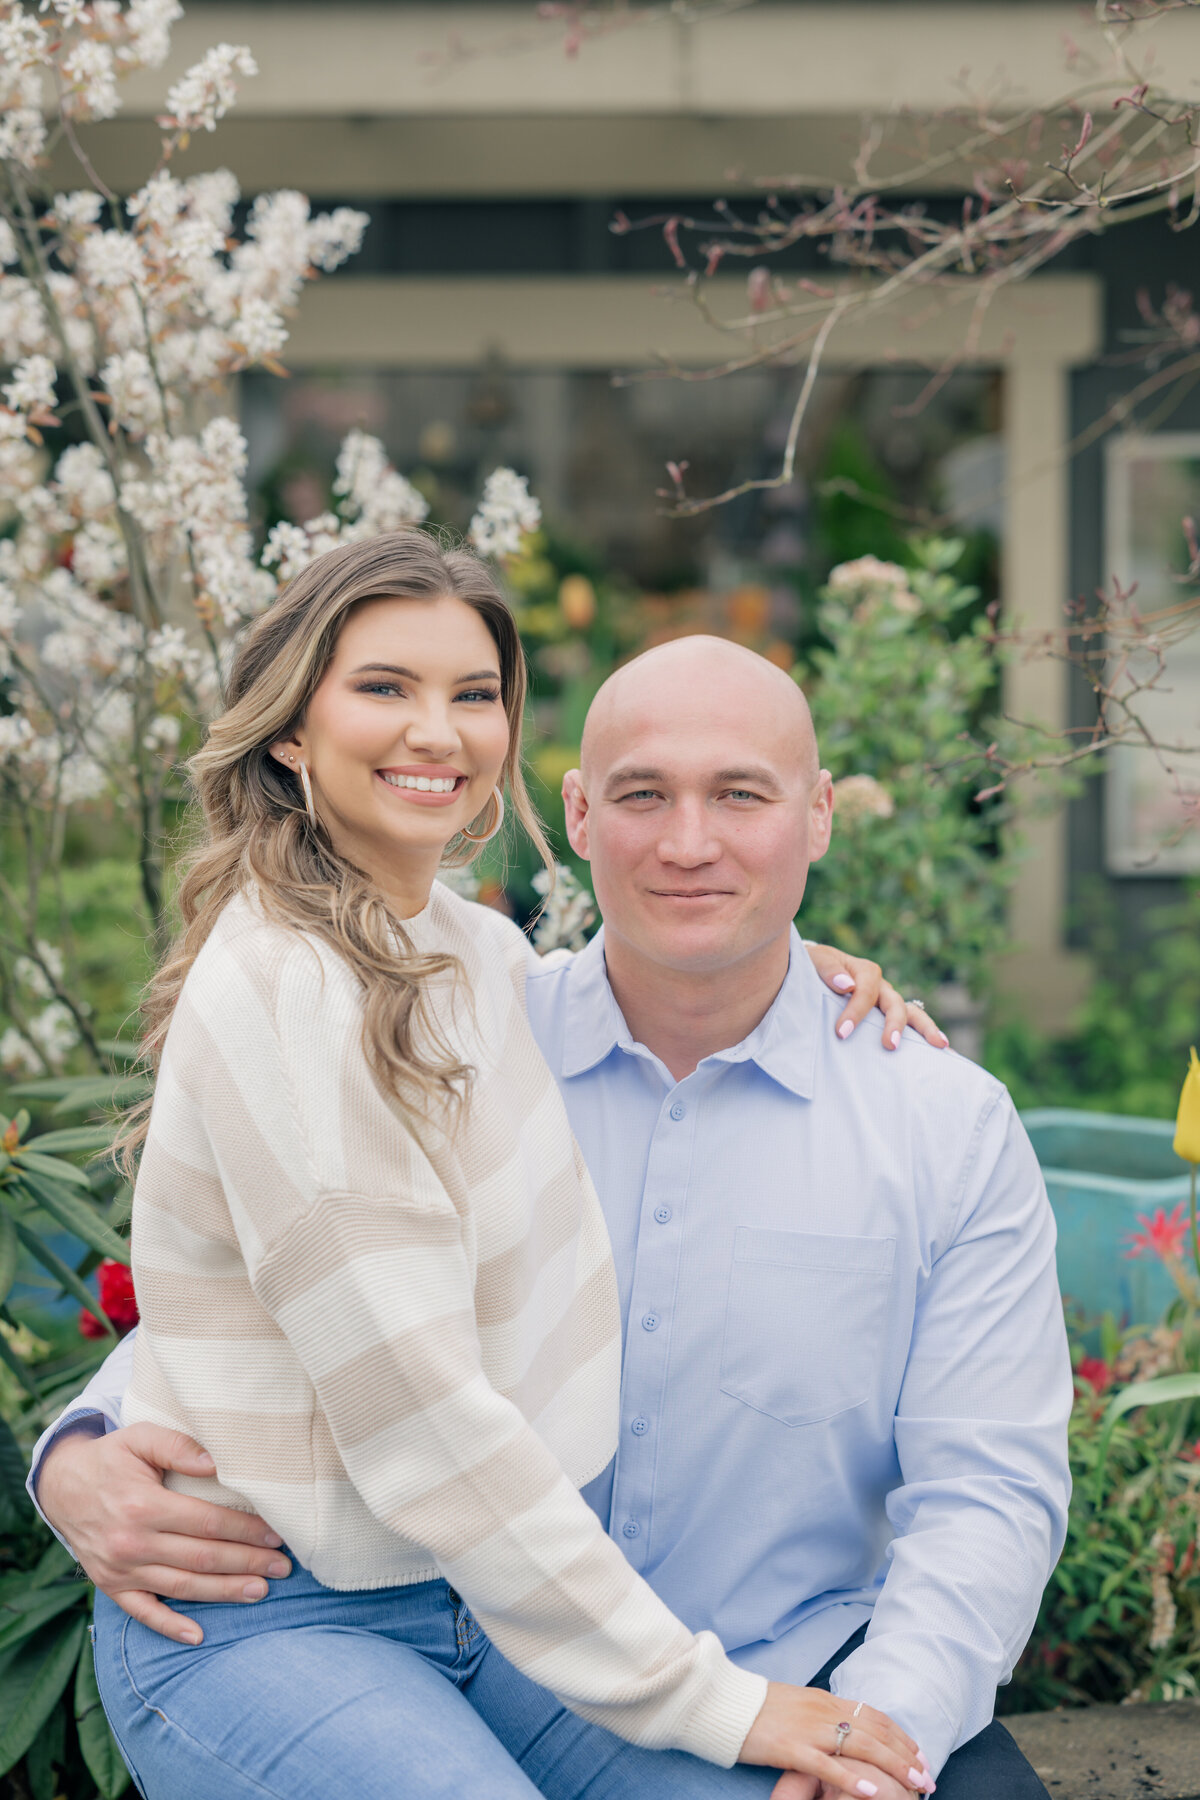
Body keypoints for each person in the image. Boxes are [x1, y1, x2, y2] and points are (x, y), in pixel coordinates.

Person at [34, 629, 1071, 1797]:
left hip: (768, 1669)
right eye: (643, 797)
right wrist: (84, 1447)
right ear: (578, 817)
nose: (691, 844)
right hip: (446, 1640)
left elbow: (989, 1493)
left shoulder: (938, 1123)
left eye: (742, 796)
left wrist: (881, 1735)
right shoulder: (461, 1033)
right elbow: (306, 1288)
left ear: (818, 815)